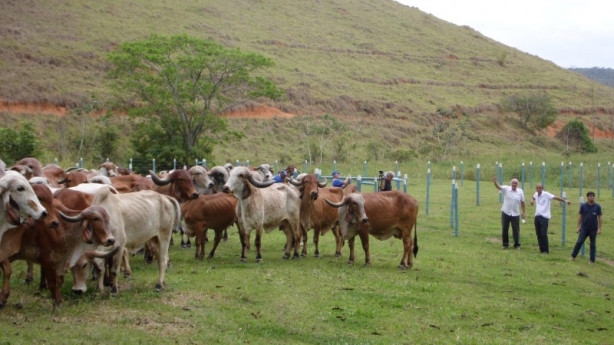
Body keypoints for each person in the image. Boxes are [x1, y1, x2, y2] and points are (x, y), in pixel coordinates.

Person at [530, 183, 571, 254]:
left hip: (544, 217)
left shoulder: (546, 194)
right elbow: (533, 197)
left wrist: (565, 201)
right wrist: (532, 200)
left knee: (543, 234)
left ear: (542, 188)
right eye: (537, 188)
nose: (538, 189)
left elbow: (555, 197)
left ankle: (545, 250)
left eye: (540, 188)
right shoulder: (536, 194)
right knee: (538, 234)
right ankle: (541, 249)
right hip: (537, 216)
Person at [493, 176, 526, 249]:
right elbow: (499, 187)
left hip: (515, 213)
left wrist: (523, 211)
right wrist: (495, 182)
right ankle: (505, 244)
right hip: (506, 212)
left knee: (516, 230)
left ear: (518, 184)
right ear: (511, 183)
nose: (514, 184)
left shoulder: (520, 191)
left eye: (516, 183)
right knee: (505, 229)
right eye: (513, 183)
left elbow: (523, 202)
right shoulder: (506, 189)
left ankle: (517, 244)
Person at [570, 191, 602, 264]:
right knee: (579, 242)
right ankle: (573, 256)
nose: (592, 197)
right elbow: (580, 216)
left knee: (592, 244)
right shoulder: (583, 206)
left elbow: (600, 217)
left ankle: (592, 260)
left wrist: (599, 228)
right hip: (584, 228)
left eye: (593, 196)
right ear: (587, 197)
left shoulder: (597, 207)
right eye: (590, 196)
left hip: (593, 229)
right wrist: (578, 226)